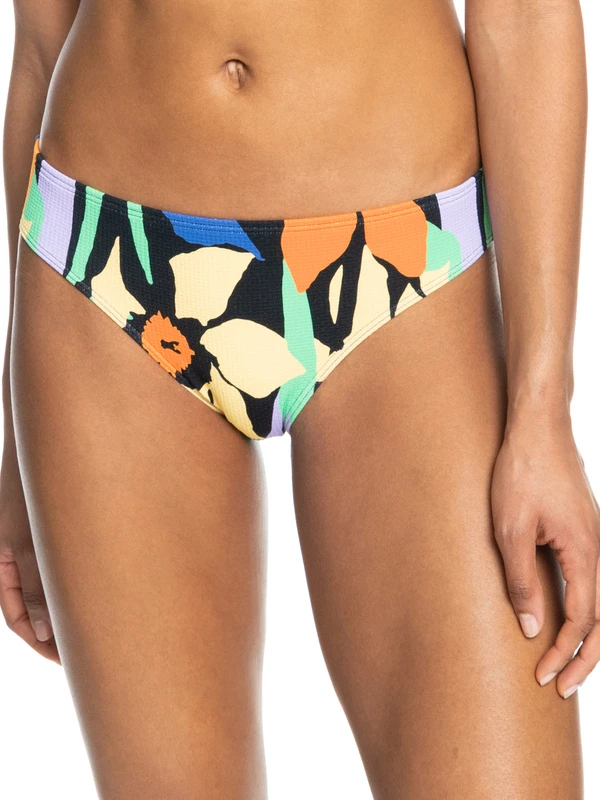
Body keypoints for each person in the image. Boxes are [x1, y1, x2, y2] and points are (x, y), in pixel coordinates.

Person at [1, 0, 598, 796]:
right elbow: (40, 41)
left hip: (400, 259)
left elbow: (523, 16)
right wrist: (16, 438)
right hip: (107, 259)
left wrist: (543, 410)